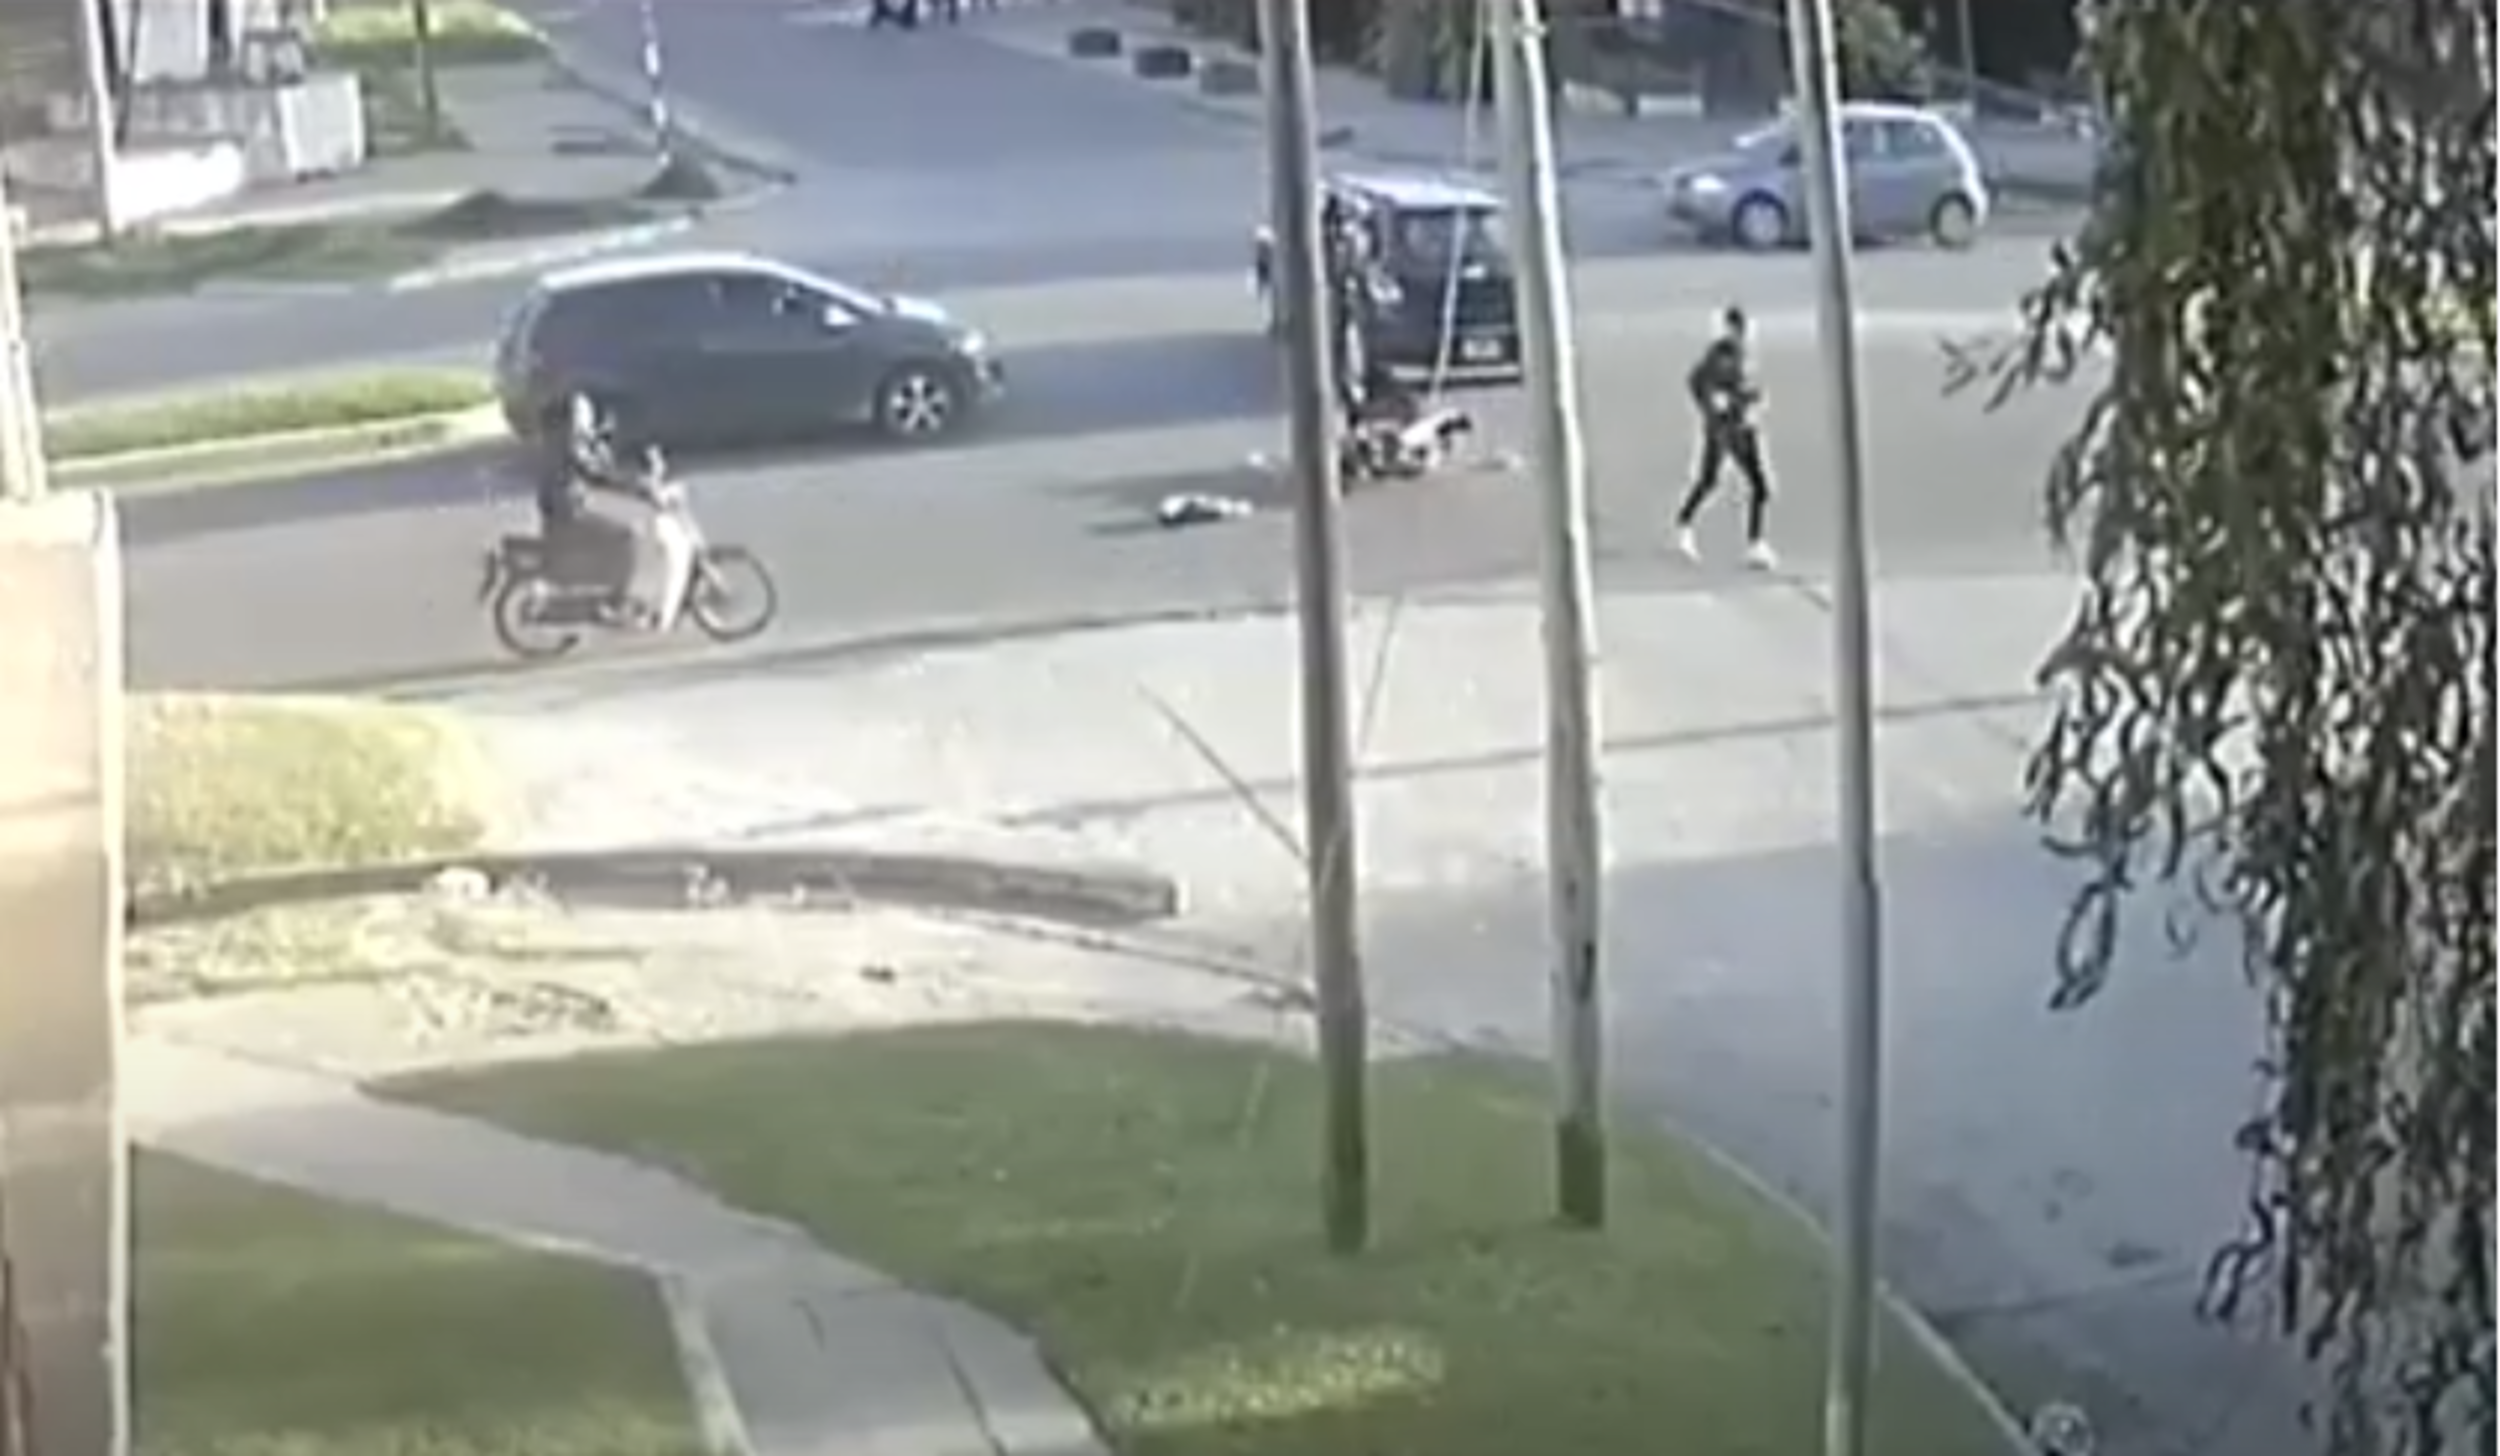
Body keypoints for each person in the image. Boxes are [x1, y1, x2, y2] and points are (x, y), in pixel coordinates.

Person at [533, 394, 665, 627]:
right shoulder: (570, 447)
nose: (586, 425)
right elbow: (594, 473)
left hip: (561, 509)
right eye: (584, 420)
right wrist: (637, 488)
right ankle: (614, 605)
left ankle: (608, 592)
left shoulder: (559, 442)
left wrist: (600, 439)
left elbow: (590, 461)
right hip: (567, 513)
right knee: (627, 536)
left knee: (614, 533)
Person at [1672, 304, 1776, 569]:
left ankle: (1686, 525)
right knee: (1744, 483)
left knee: (1740, 483)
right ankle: (1752, 543)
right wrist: (1714, 406)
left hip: (1741, 426)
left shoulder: (1743, 353)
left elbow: (1742, 386)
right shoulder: (1722, 353)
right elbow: (1699, 382)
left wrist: (1755, 397)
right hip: (1727, 429)